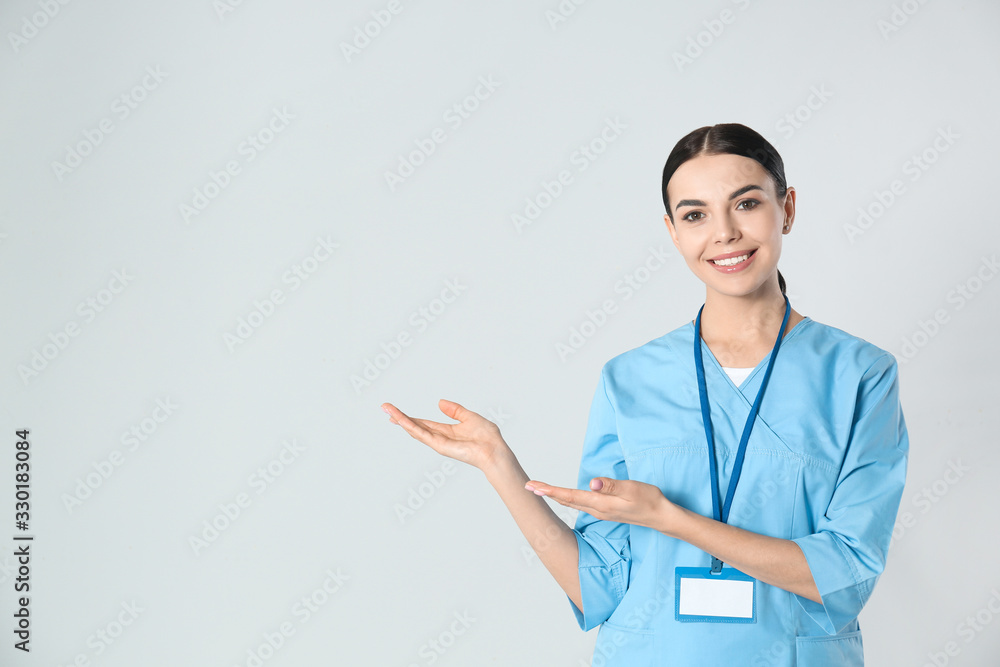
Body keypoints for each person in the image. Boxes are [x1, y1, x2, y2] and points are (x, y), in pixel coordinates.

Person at [381, 123, 909, 665]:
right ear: (673, 231)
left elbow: (844, 576)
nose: (724, 232)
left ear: (787, 208)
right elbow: (597, 589)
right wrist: (499, 465)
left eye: (746, 203)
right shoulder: (630, 379)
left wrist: (672, 518)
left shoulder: (860, 375)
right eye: (695, 214)